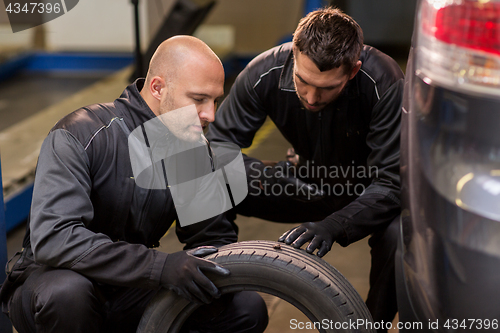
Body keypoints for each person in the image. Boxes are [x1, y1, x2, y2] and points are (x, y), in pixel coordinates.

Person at [0, 36, 268, 333]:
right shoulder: (80, 134)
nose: (210, 115)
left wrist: (227, 270)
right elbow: (55, 238)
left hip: (129, 286)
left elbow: (213, 237)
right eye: (198, 99)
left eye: (215, 100)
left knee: (245, 308)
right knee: (68, 293)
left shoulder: (191, 149)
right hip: (51, 281)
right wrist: (160, 267)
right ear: (157, 87)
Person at [206, 7, 403, 331]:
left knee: (399, 232)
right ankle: (216, 294)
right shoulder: (262, 73)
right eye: (303, 81)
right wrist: (265, 174)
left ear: (352, 71)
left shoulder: (383, 81)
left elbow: (392, 183)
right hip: (302, 183)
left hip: (365, 194)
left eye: (327, 88)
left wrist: (333, 226)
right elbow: (214, 151)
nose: (311, 97)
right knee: (209, 182)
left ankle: (373, 325)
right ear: (293, 54)